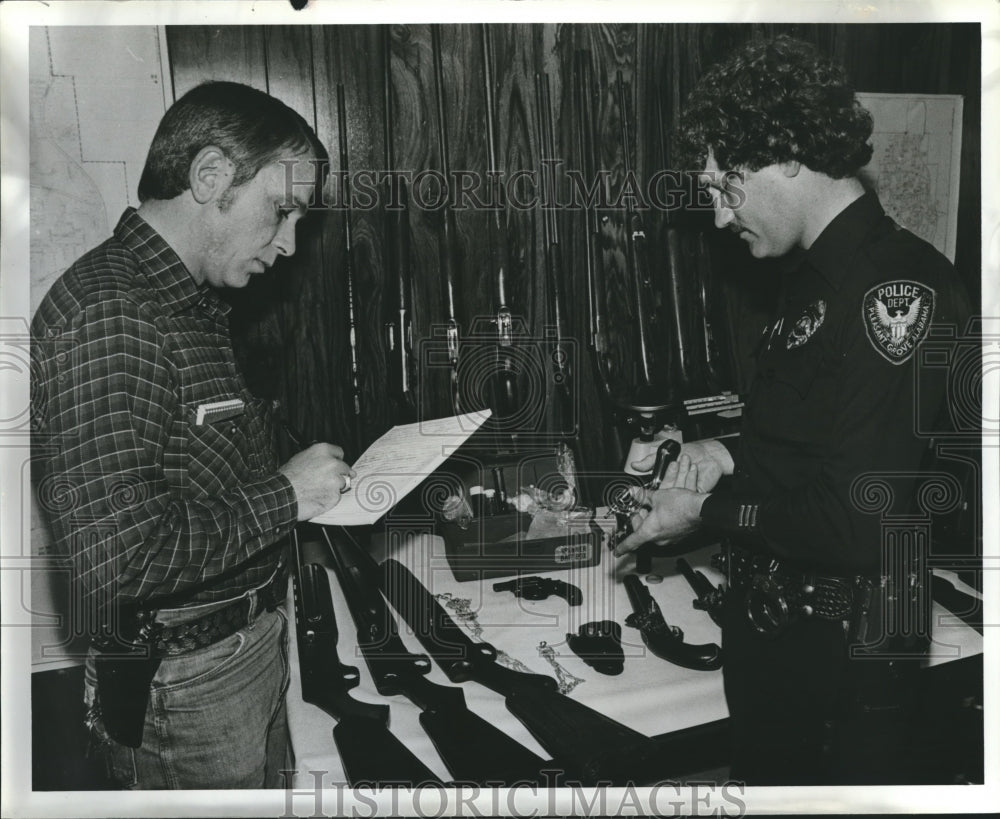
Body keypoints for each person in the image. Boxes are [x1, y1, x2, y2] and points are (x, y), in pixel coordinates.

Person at [614, 36, 971, 785]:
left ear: (783, 153)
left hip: (844, 665)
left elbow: (859, 516)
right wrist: (726, 454)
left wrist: (705, 514)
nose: (716, 218)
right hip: (780, 646)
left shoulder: (896, 292)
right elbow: (821, 437)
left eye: (722, 186)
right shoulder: (811, 280)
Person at [31, 81, 355, 789]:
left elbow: (199, 480)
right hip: (186, 686)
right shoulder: (110, 313)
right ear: (210, 176)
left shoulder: (185, 302)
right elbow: (115, 562)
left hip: (236, 656)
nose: (291, 242)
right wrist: (287, 495)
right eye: (281, 209)